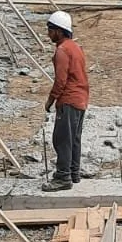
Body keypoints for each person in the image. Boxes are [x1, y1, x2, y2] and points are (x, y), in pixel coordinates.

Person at [43, 10, 89, 191]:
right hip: (81, 98)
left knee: (62, 139)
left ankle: (63, 177)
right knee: (74, 139)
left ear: (59, 31)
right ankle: (73, 172)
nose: (48, 34)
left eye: (50, 30)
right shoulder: (75, 47)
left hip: (69, 100)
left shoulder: (62, 51)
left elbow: (60, 81)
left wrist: (50, 100)